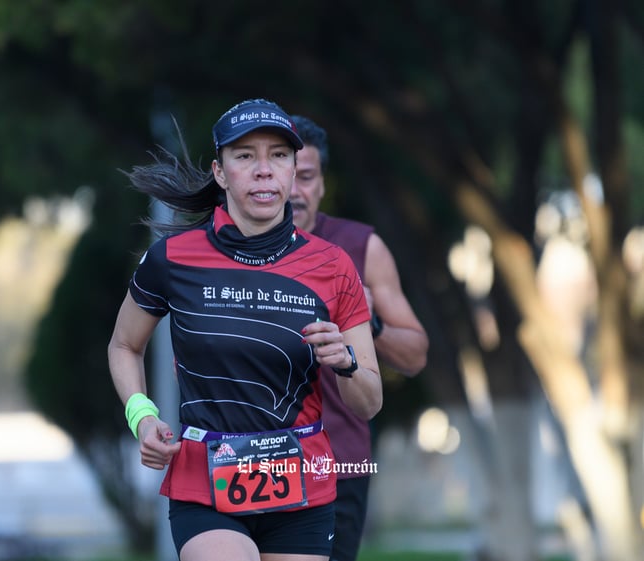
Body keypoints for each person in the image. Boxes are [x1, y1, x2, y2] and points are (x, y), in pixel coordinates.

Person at [107, 98, 383, 561]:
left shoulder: (333, 266)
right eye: (245, 155)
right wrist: (143, 416)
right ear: (220, 172)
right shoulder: (174, 259)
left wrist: (346, 362)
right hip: (204, 484)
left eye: (278, 155)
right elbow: (124, 345)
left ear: (294, 171)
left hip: (303, 488)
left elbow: (369, 402)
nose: (263, 169)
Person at [289, 115, 429, 561]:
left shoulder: (361, 246)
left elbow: (416, 354)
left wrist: (369, 319)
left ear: (322, 184)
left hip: (340, 461)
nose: (293, 191)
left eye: (305, 177)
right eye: (283, 176)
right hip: (250, 457)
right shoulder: (232, 251)